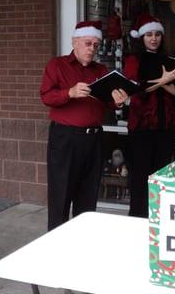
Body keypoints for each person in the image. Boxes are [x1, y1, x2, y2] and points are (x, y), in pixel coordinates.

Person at [40, 20, 129, 231]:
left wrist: (117, 100)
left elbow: (107, 100)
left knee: (88, 196)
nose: (92, 49)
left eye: (96, 45)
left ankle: (82, 241)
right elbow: (46, 96)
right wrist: (69, 93)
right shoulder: (57, 65)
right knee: (61, 195)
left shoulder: (101, 70)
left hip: (94, 138)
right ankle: (56, 244)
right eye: (88, 43)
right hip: (65, 138)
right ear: (75, 42)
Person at [123, 13, 175, 217]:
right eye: (149, 35)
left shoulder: (169, 59)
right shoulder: (133, 59)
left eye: (157, 34)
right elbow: (135, 88)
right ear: (141, 37)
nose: (154, 38)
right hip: (141, 127)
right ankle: (138, 218)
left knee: (161, 176)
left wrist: (165, 83)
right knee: (140, 177)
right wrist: (164, 81)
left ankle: (158, 218)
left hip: (165, 126)